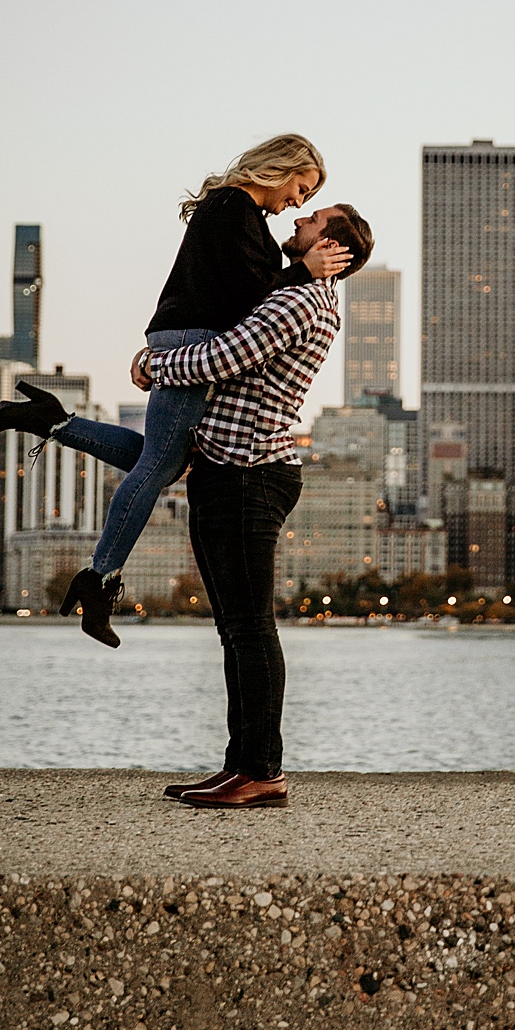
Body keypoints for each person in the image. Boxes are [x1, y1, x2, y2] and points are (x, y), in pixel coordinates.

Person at [0, 134, 350, 645]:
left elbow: (241, 292)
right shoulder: (234, 209)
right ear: (281, 168)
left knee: (165, 461)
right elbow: (247, 297)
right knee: (157, 467)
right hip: (192, 338)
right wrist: (301, 272)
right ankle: (99, 578)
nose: (298, 202)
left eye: (309, 200)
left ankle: (49, 421)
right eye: (301, 188)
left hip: (183, 335)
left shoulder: (236, 211)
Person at [139, 200, 375, 810]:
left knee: (249, 628)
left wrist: (151, 365)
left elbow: (223, 358)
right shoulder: (300, 293)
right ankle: (238, 764)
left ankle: (262, 770)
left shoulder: (299, 301)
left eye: (313, 219)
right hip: (230, 468)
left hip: (248, 472)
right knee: (233, 629)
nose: (298, 222)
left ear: (334, 247)